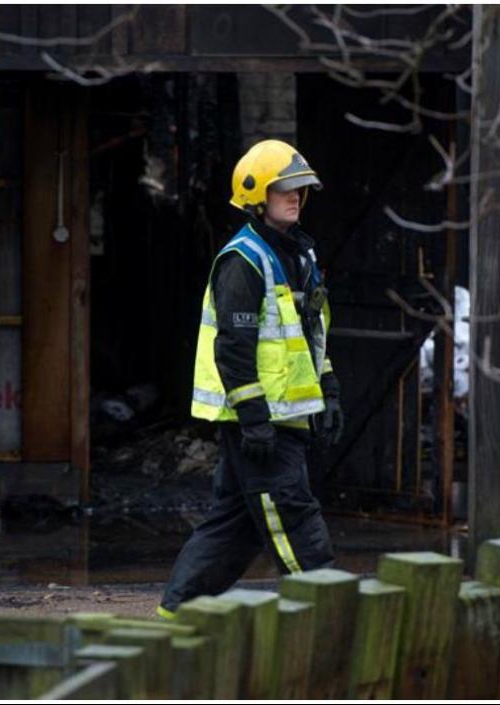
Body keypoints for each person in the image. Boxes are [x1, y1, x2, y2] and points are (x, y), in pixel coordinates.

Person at [158, 140, 344, 619]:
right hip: (257, 424)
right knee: (293, 514)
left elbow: (309, 337)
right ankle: (327, 611)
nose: (295, 197)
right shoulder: (244, 261)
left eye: (301, 189)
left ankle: (175, 617)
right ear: (257, 195)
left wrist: (329, 391)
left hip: (285, 418)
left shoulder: (300, 255)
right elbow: (234, 350)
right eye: (285, 188)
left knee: (232, 529)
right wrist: (255, 419)